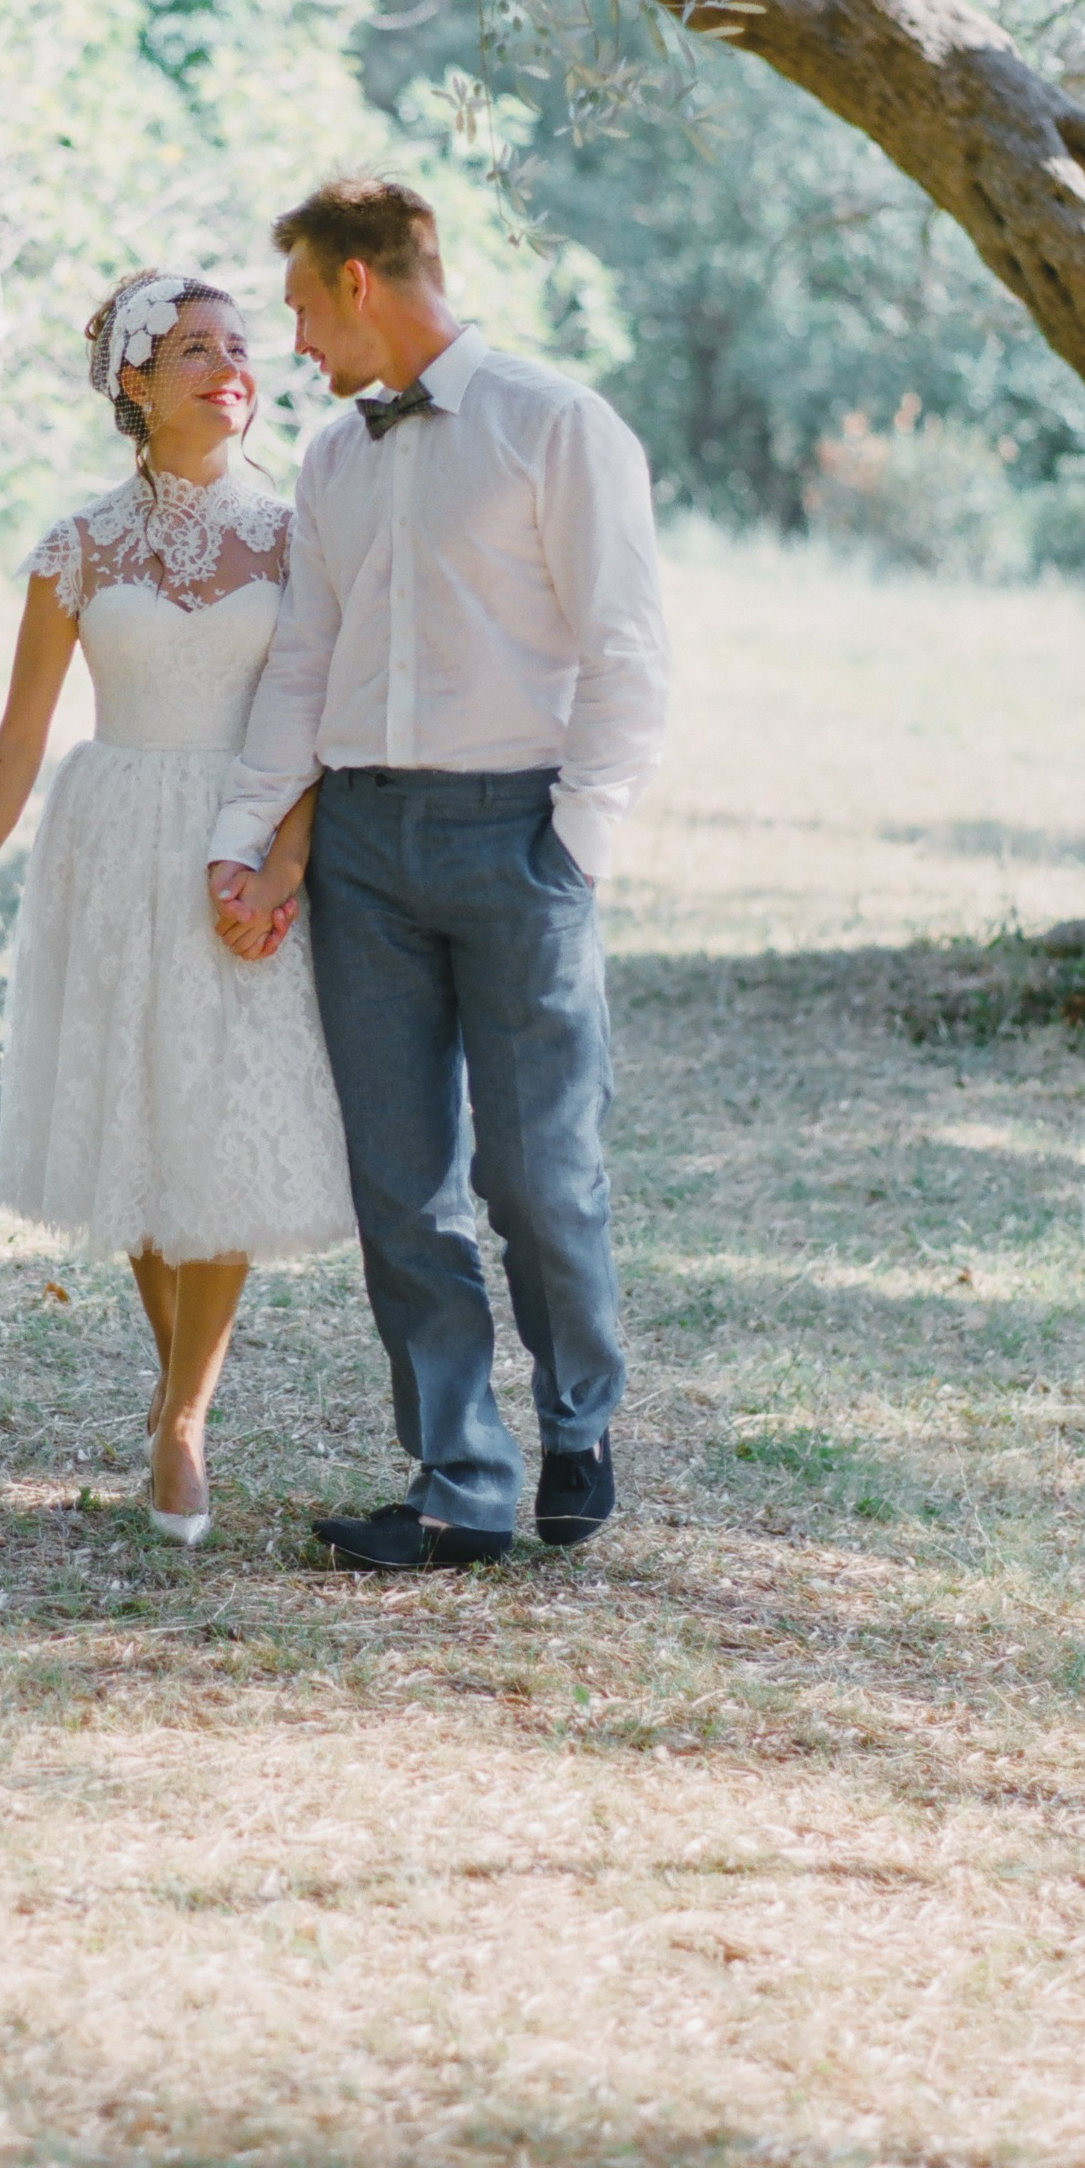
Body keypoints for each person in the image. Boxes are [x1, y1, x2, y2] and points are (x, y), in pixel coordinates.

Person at [207, 181, 668, 1571]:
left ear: (360, 279)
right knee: (401, 1183)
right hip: (362, 846)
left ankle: (578, 1418)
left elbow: (629, 649)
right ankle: (458, 1479)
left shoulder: (557, 425)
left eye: (296, 305)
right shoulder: (334, 460)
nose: (290, 340)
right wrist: (251, 834)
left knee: (538, 1173)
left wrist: (572, 841)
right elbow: (303, 661)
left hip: (515, 836)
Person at [0, 270, 353, 1546]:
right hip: (108, 844)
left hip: (242, 838)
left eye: (241, 347)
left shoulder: (293, 536)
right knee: (141, 1120)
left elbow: (323, 721)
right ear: (135, 382)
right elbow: (16, 739)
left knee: (220, 1122)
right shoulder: (77, 547)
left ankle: (180, 1426)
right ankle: (179, 1390)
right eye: (197, 349)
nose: (231, 366)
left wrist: (281, 861)